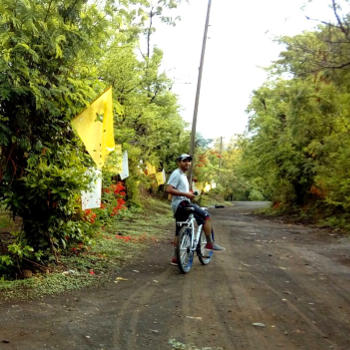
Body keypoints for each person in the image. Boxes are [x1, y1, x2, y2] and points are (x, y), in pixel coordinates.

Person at [166, 153, 225, 265]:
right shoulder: (176, 173)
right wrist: (186, 195)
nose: (187, 163)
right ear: (179, 162)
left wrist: (190, 194)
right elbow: (169, 189)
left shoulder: (183, 175)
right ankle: (209, 243)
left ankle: (176, 258)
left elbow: (181, 191)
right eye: (184, 161)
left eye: (189, 161)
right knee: (206, 216)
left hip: (180, 204)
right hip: (182, 204)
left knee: (179, 231)